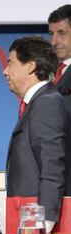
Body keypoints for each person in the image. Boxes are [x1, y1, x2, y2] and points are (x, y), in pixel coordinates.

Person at [3, 36, 69, 234]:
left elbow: (52, 166)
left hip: (35, 224)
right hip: (26, 217)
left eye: (10, 63)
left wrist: (42, 225)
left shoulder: (47, 103)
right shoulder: (38, 103)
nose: (5, 71)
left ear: (30, 66)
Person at [48, 4, 71, 196]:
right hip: (56, 177)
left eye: (61, 33)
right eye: (51, 34)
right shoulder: (50, 72)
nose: (54, 41)